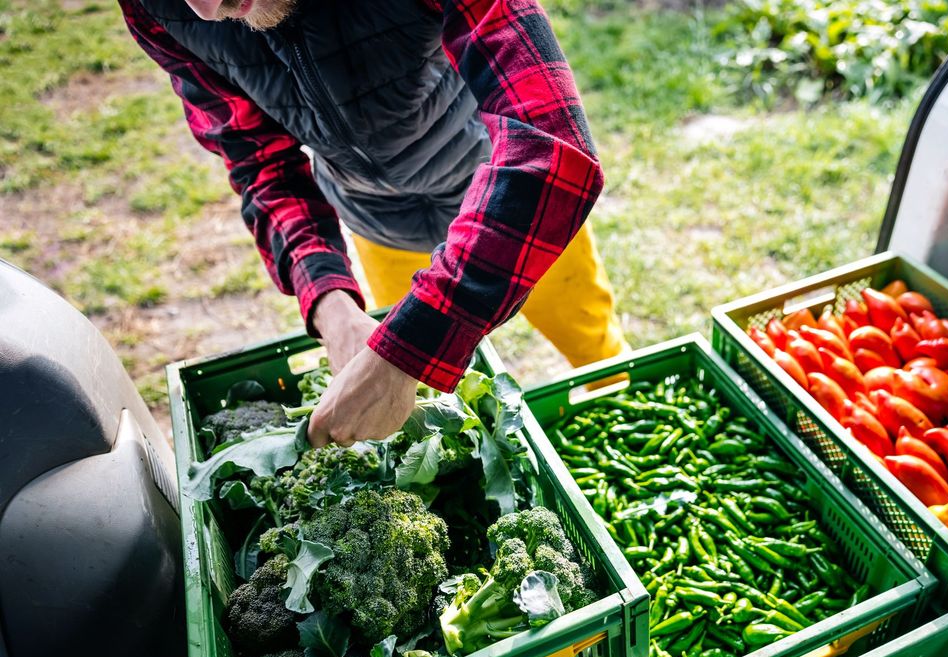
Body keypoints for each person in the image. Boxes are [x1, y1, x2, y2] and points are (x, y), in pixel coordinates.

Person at [119, 0, 627, 446]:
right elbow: (259, 161)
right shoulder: (157, 7)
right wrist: (330, 306)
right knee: (426, 409)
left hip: (506, 197)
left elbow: (552, 147)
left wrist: (408, 350)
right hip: (375, 218)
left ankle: (616, 410)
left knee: (590, 339)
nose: (206, 9)